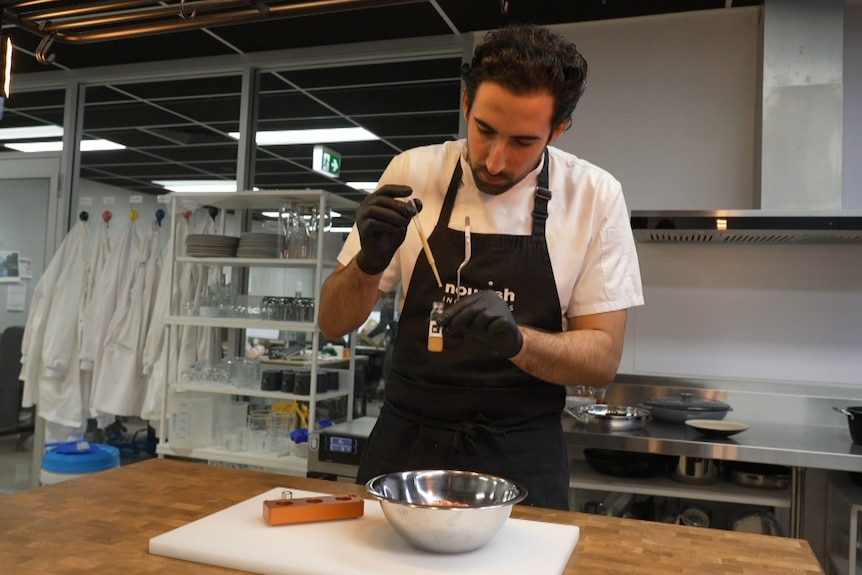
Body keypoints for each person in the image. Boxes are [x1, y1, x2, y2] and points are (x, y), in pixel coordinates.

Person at [318, 23, 644, 510]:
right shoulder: (412, 173)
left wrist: (519, 341)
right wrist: (369, 261)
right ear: (467, 104)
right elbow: (331, 322)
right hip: (405, 450)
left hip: (523, 458)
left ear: (558, 130)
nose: (495, 160)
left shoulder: (594, 196)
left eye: (522, 142)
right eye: (485, 131)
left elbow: (602, 357)